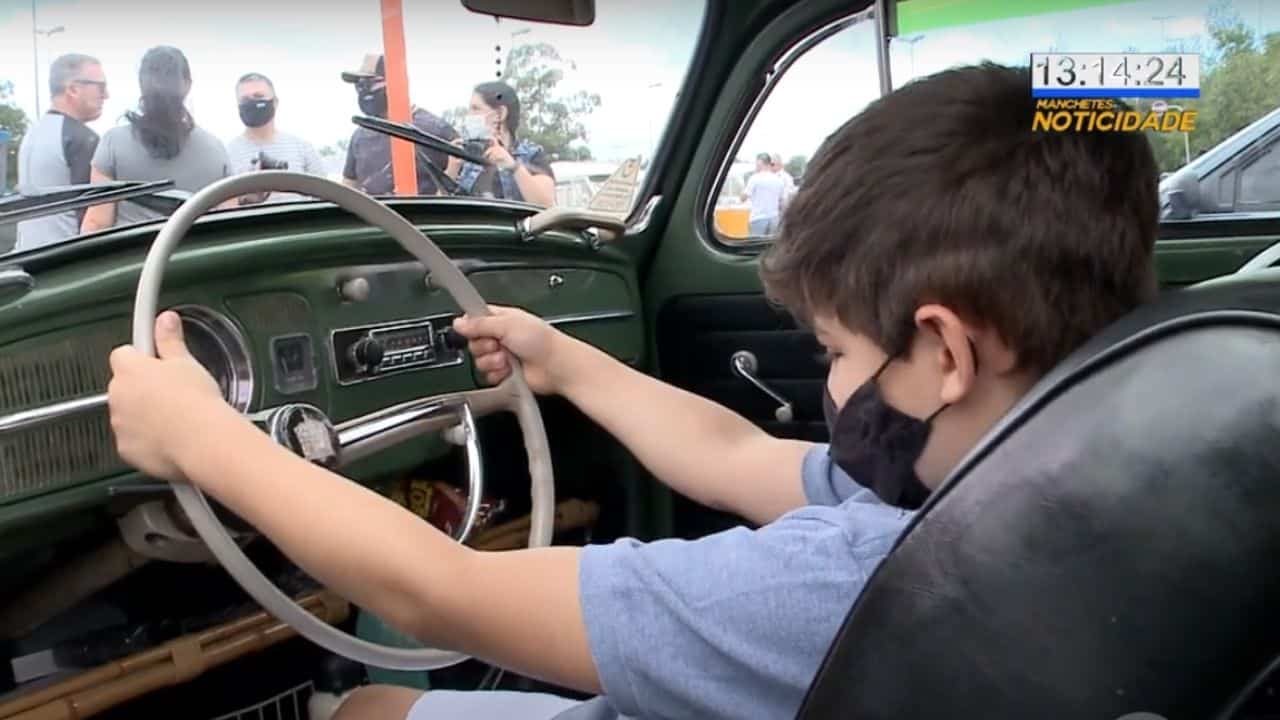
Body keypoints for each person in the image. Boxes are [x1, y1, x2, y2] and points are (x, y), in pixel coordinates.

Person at [104, 63, 1159, 720]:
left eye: (834, 349)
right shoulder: (1053, 488)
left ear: (942, 351)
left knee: (371, 708)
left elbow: (439, 592)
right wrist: (561, 363)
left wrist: (200, 438)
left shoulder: (857, 588)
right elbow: (737, 458)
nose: (831, 382)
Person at [82, 46, 230, 232]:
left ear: (141, 84)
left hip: (133, 257)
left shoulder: (113, 143)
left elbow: (97, 223)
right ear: (187, 85)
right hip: (196, 257)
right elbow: (227, 221)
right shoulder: (216, 149)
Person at [13, 53, 108, 251]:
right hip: (64, 257)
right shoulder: (82, 138)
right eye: (100, 86)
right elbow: (93, 217)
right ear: (73, 89)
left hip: (26, 253)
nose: (106, 95)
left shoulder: (32, 134)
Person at [340, 53, 458, 196]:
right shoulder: (361, 135)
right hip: (375, 217)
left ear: (395, 82)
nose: (363, 90)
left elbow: (460, 182)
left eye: (370, 83)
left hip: (422, 216)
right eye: (359, 85)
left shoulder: (435, 130)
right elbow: (349, 186)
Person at [447, 80, 556, 206]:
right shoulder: (464, 159)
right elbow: (437, 211)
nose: (469, 116)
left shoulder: (532, 156)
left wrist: (514, 167)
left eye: (475, 109)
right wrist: (451, 170)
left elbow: (546, 205)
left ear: (500, 114)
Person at [226, 72, 325, 204]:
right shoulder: (227, 154)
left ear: (275, 102)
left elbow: (325, 197)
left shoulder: (302, 148)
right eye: (245, 100)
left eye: (258, 96)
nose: (252, 103)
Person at [740, 151, 785, 236]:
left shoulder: (754, 178)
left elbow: (743, 198)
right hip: (774, 219)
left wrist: (743, 189)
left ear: (759, 163)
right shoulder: (779, 180)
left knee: (754, 246)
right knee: (770, 246)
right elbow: (782, 202)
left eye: (756, 164)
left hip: (758, 219)